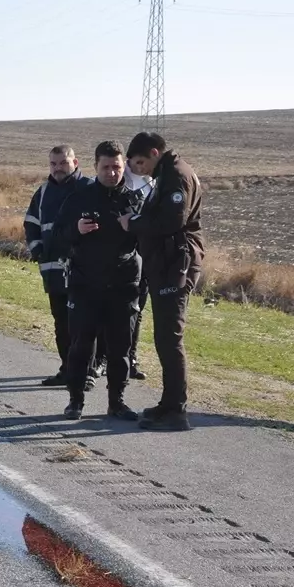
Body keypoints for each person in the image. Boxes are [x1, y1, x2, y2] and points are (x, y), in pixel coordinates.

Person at [120, 132, 205, 431]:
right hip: (166, 264)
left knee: (170, 339)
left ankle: (177, 412)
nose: (139, 169)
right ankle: (168, 404)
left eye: (141, 162)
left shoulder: (177, 176)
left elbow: (172, 221)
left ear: (154, 153)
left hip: (175, 265)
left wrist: (134, 223)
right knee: (163, 338)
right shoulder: (166, 174)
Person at [56, 140, 145, 421]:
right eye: (105, 167)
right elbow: (57, 237)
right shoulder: (80, 198)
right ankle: (75, 401)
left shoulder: (134, 201)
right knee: (81, 345)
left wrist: (136, 226)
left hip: (123, 285)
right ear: (95, 167)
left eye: (116, 167)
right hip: (86, 285)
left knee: (120, 348)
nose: (111, 173)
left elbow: (150, 241)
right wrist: (76, 229)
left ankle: (116, 402)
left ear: (124, 167)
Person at [23, 145, 95, 390]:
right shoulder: (43, 192)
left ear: (75, 162)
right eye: (53, 164)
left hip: (83, 271)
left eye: (63, 163)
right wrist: (37, 250)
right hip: (53, 272)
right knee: (61, 324)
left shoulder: (88, 188)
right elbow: (31, 222)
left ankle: (85, 373)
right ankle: (67, 369)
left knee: (83, 325)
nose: (57, 168)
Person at [124, 162, 154, 381]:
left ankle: (131, 359)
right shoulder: (121, 181)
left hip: (145, 257)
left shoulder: (154, 183)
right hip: (121, 258)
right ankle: (104, 359)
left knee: (137, 311)